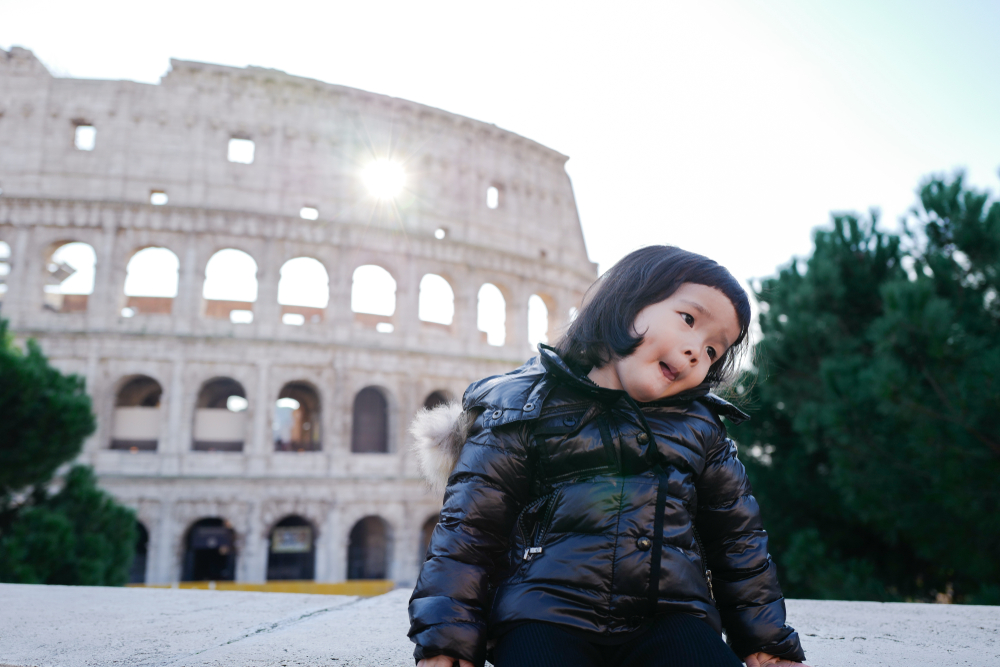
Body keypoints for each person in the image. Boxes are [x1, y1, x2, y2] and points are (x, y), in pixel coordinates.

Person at [408, 246, 809, 667]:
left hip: (670, 617)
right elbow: (470, 531)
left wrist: (766, 640)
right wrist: (446, 639)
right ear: (627, 301)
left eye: (713, 351)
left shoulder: (701, 427)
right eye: (688, 320)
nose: (696, 351)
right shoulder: (522, 405)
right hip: (543, 613)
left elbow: (737, 542)